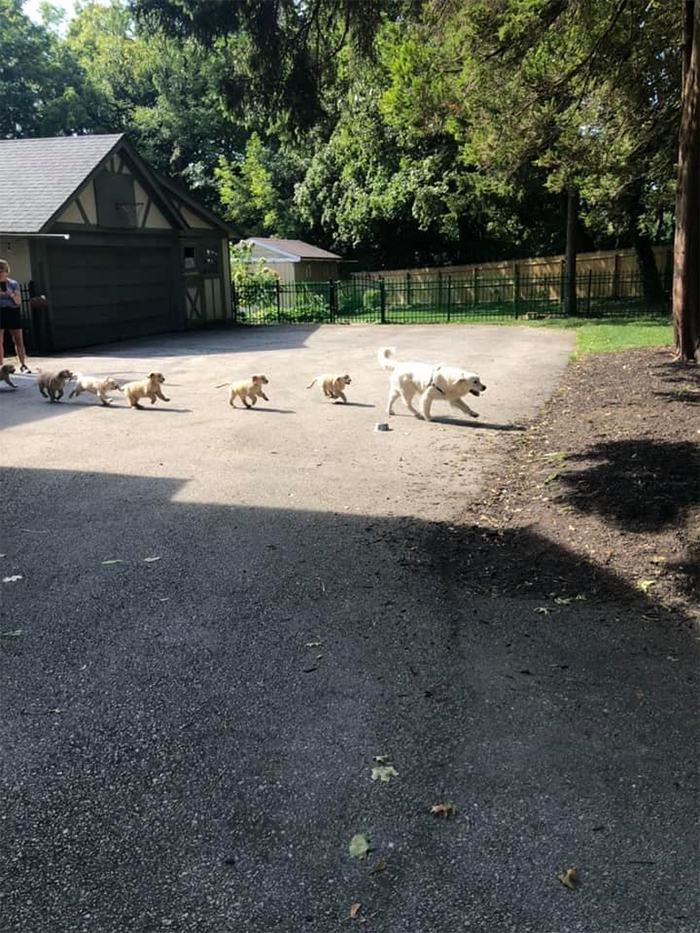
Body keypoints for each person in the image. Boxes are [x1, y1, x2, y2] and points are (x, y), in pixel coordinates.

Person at [0, 258, 30, 373]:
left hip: (12, 312)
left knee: (18, 340)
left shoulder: (13, 283)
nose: (0, 272)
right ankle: (1, 368)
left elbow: (18, 301)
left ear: (6, 270)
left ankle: (23, 365)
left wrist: (10, 294)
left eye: (1, 269)